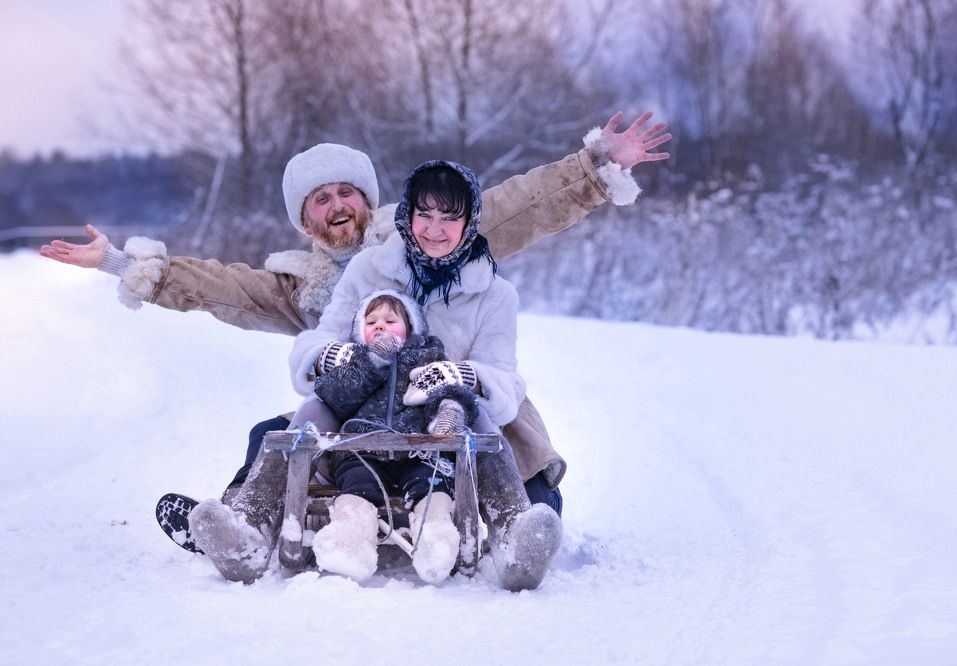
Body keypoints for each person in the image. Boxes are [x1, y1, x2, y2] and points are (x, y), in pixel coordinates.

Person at [39, 112, 671, 551]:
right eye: (320, 198)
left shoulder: (431, 230)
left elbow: (519, 204)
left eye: (347, 191)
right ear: (304, 219)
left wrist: (593, 170)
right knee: (272, 436)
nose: (337, 204)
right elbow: (221, 286)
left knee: (527, 474)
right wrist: (125, 264)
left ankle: (517, 535)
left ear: (368, 201)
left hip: (464, 404)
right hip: (368, 409)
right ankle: (238, 527)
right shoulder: (306, 290)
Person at [191, 157, 553, 590]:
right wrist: (339, 360)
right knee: (290, 422)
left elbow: (503, 376)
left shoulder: (493, 294)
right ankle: (248, 526)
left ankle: (518, 533)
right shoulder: (369, 269)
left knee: (519, 448)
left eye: (449, 218)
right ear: (407, 216)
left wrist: (463, 377)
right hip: (366, 405)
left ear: (469, 222)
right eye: (424, 215)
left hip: (444, 413)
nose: (434, 229)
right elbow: (315, 338)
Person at [288, 288, 479, 585]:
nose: (380, 325)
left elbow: (448, 388)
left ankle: (435, 538)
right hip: (362, 449)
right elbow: (335, 396)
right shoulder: (354, 361)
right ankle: (351, 541)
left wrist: (449, 408)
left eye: (391, 321)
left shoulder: (427, 360)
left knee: (431, 484)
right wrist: (371, 362)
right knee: (357, 486)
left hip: (418, 450)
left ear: (412, 329)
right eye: (371, 321)